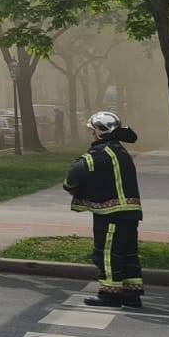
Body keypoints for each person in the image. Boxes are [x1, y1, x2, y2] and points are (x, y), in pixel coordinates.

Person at [64, 111, 143, 308]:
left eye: (93, 130)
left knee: (107, 253)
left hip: (111, 212)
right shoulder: (120, 150)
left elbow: (75, 173)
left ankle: (110, 294)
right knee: (127, 253)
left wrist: (72, 187)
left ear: (100, 131)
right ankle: (131, 295)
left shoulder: (101, 152)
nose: (91, 134)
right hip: (129, 212)